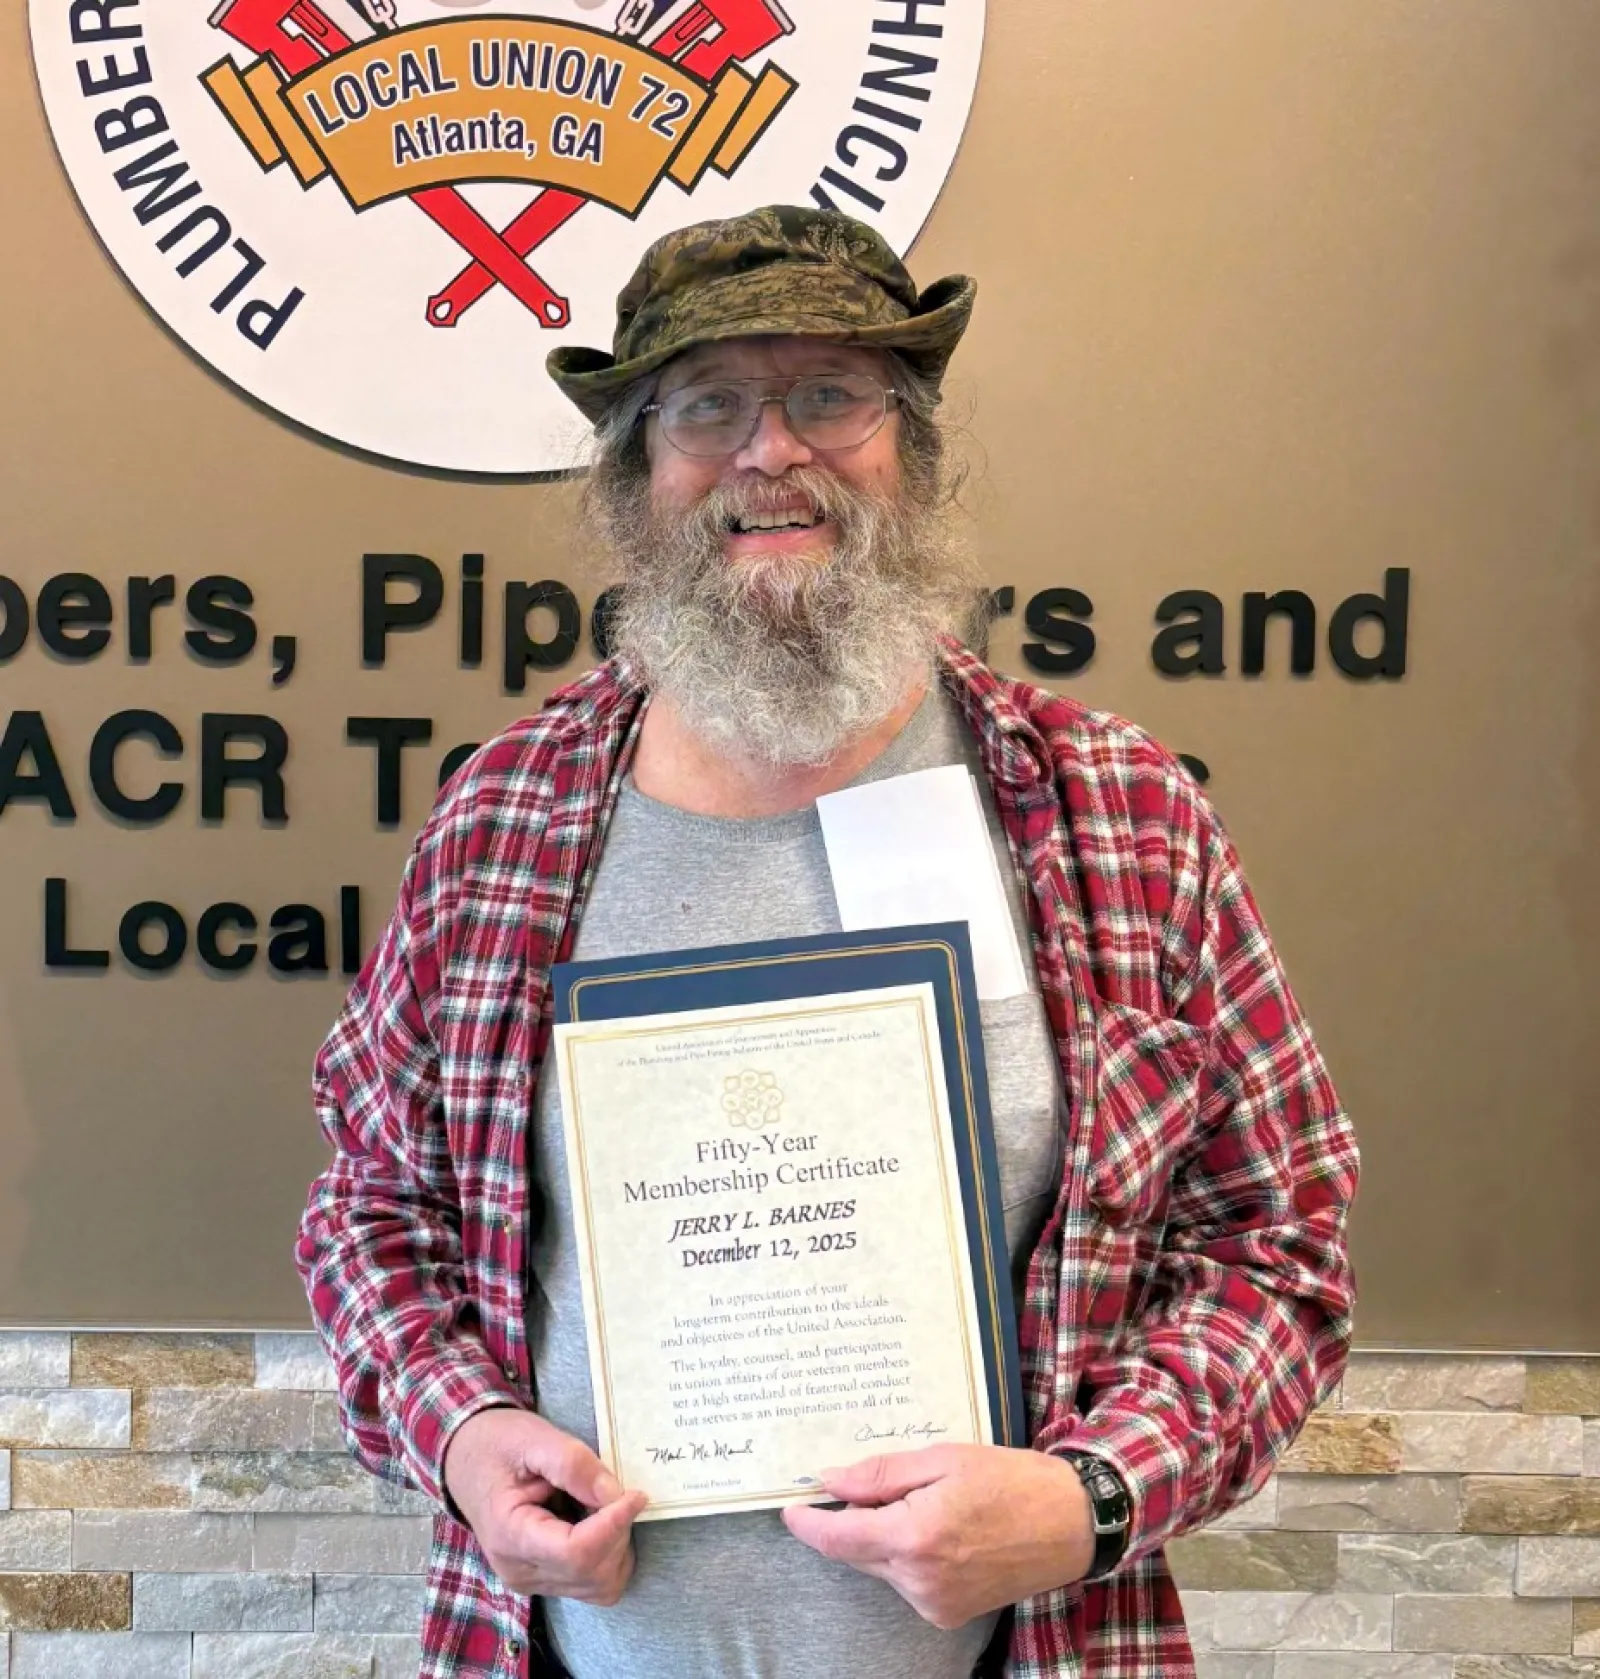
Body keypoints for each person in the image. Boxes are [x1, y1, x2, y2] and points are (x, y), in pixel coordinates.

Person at [299, 204, 1359, 1679]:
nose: (769, 451)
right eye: (707, 406)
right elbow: (372, 1208)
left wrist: (1093, 1493)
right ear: (635, 480)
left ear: (912, 452)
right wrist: (464, 1436)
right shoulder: (500, 823)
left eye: (829, 395)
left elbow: (1278, 1240)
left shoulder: (1118, 812)